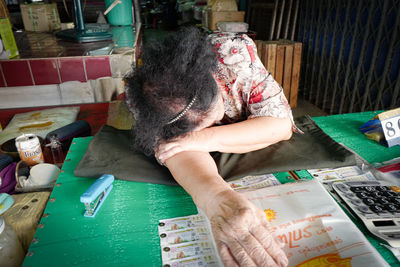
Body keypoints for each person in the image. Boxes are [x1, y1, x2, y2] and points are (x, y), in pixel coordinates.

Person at [125, 27, 297, 266]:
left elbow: (281, 126)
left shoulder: (233, 53)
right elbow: (175, 151)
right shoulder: (145, 101)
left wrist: (203, 138)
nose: (214, 120)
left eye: (211, 115)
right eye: (195, 128)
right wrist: (216, 198)